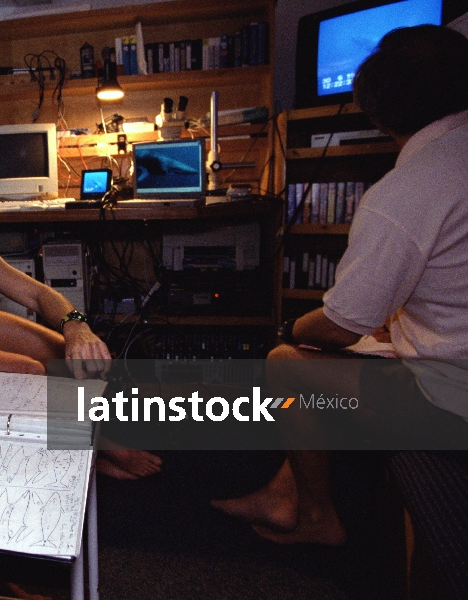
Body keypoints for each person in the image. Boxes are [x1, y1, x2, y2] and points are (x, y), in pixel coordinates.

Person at [211, 24, 468, 561]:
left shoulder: (406, 190)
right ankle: (284, 495)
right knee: (334, 362)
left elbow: (339, 325)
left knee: (289, 361)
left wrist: (290, 329)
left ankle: (317, 517)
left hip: (453, 402)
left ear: (377, 107)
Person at [0, 168, 162, 479]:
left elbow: (36, 294)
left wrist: (77, 328)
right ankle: (103, 448)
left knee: (69, 355)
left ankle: (86, 445)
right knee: (32, 370)